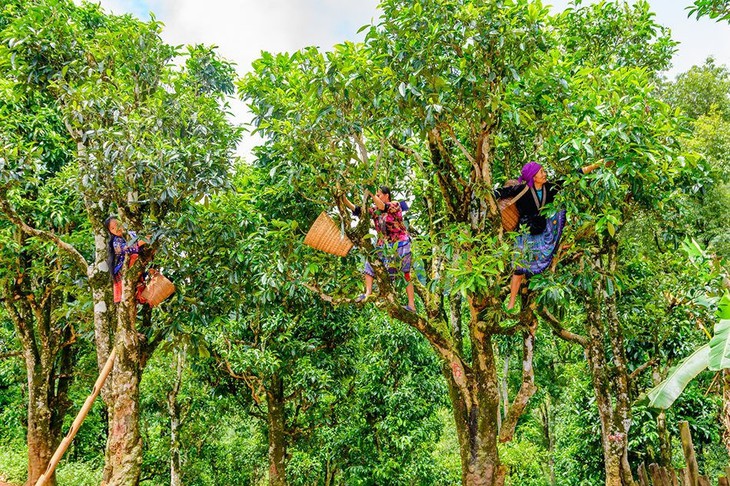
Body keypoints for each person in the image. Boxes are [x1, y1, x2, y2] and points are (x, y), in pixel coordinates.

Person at [494, 161, 602, 312]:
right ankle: (511, 303)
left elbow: (570, 177)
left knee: (559, 214)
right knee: (518, 269)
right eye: (541, 172)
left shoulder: (549, 188)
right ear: (533, 177)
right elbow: (500, 192)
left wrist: (595, 165)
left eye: (544, 171)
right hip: (525, 233)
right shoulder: (522, 189)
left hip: (541, 229)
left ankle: (532, 297)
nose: (545, 174)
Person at [342, 186, 416, 312]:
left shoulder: (395, 205)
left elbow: (383, 207)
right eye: (376, 195)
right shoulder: (375, 211)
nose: (376, 197)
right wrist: (344, 200)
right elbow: (359, 211)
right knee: (370, 263)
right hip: (383, 245)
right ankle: (368, 293)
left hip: (400, 243)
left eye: (379, 195)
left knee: (405, 273)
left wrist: (371, 193)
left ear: (387, 195)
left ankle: (411, 305)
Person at [104, 216, 146, 304]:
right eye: (112, 228)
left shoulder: (131, 233)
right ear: (110, 232)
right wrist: (141, 242)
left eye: (117, 225)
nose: (116, 229)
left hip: (136, 265)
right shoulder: (116, 241)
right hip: (123, 269)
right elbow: (125, 249)